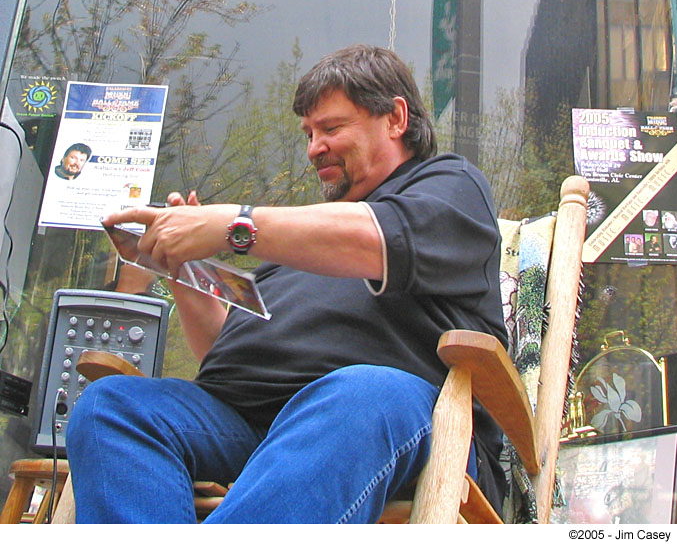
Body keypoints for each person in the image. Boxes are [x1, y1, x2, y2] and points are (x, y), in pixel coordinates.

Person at [66, 44, 507, 523]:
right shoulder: (292, 247)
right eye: (309, 133)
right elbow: (220, 348)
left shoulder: (447, 188)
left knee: (363, 394)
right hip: (251, 425)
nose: (314, 147)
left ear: (396, 118)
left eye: (332, 128)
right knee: (113, 406)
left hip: (399, 422)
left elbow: (372, 240)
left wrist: (232, 226)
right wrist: (182, 269)